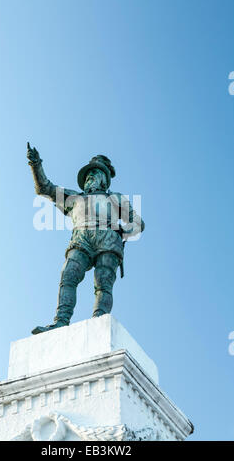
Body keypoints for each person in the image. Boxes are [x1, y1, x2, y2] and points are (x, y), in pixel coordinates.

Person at [27, 143, 144, 334]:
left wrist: (122, 233)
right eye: (89, 173)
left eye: (95, 172)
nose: (90, 176)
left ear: (104, 179)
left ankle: (99, 322)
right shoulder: (75, 198)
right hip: (81, 238)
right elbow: (45, 188)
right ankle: (61, 321)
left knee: (103, 283)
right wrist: (36, 165)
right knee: (68, 275)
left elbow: (138, 224)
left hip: (108, 239)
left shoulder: (115, 198)